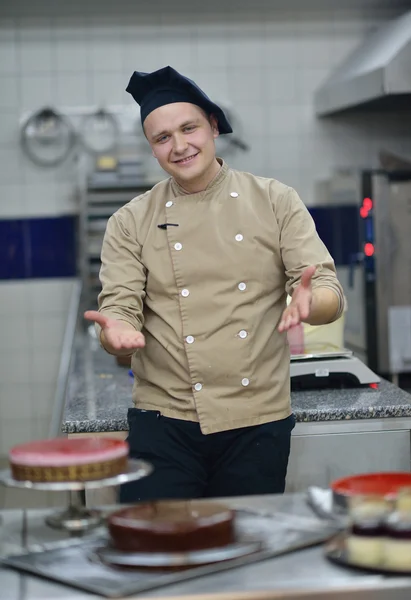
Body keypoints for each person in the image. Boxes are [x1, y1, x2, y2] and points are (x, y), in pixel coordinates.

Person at [85, 66, 345, 502]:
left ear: (214, 126)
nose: (180, 145)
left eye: (189, 128)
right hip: (163, 420)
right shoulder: (130, 221)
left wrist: (310, 303)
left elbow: (328, 292)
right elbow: (119, 309)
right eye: (162, 138)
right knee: (159, 554)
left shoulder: (275, 200)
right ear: (152, 150)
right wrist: (115, 335)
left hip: (257, 422)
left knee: (245, 556)